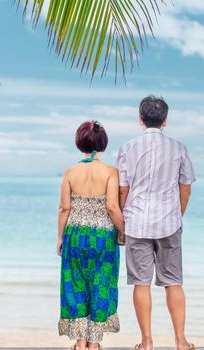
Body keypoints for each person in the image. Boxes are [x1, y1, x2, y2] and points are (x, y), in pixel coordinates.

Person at [116, 95, 196, 350]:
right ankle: (181, 341)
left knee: (141, 282)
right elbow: (186, 188)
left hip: (135, 221)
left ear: (141, 120)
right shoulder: (179, 148)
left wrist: (122, 223)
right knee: (173, 281)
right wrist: (178, 214)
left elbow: (123, 190)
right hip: (169, 223)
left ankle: (147, 342)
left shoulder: (128, 148)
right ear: (165, 121)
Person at [57, 120, 125, 350]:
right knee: (101, 284)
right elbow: (113, 207)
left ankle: (80, 341)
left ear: (79, 143)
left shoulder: (69, 172)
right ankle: (94, 343)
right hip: (103, 238)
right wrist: (123, 232)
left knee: (75, 285)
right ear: (103, 144)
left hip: (74, 236)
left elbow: (64, 208)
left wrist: (59, 238)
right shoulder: (110, 172)